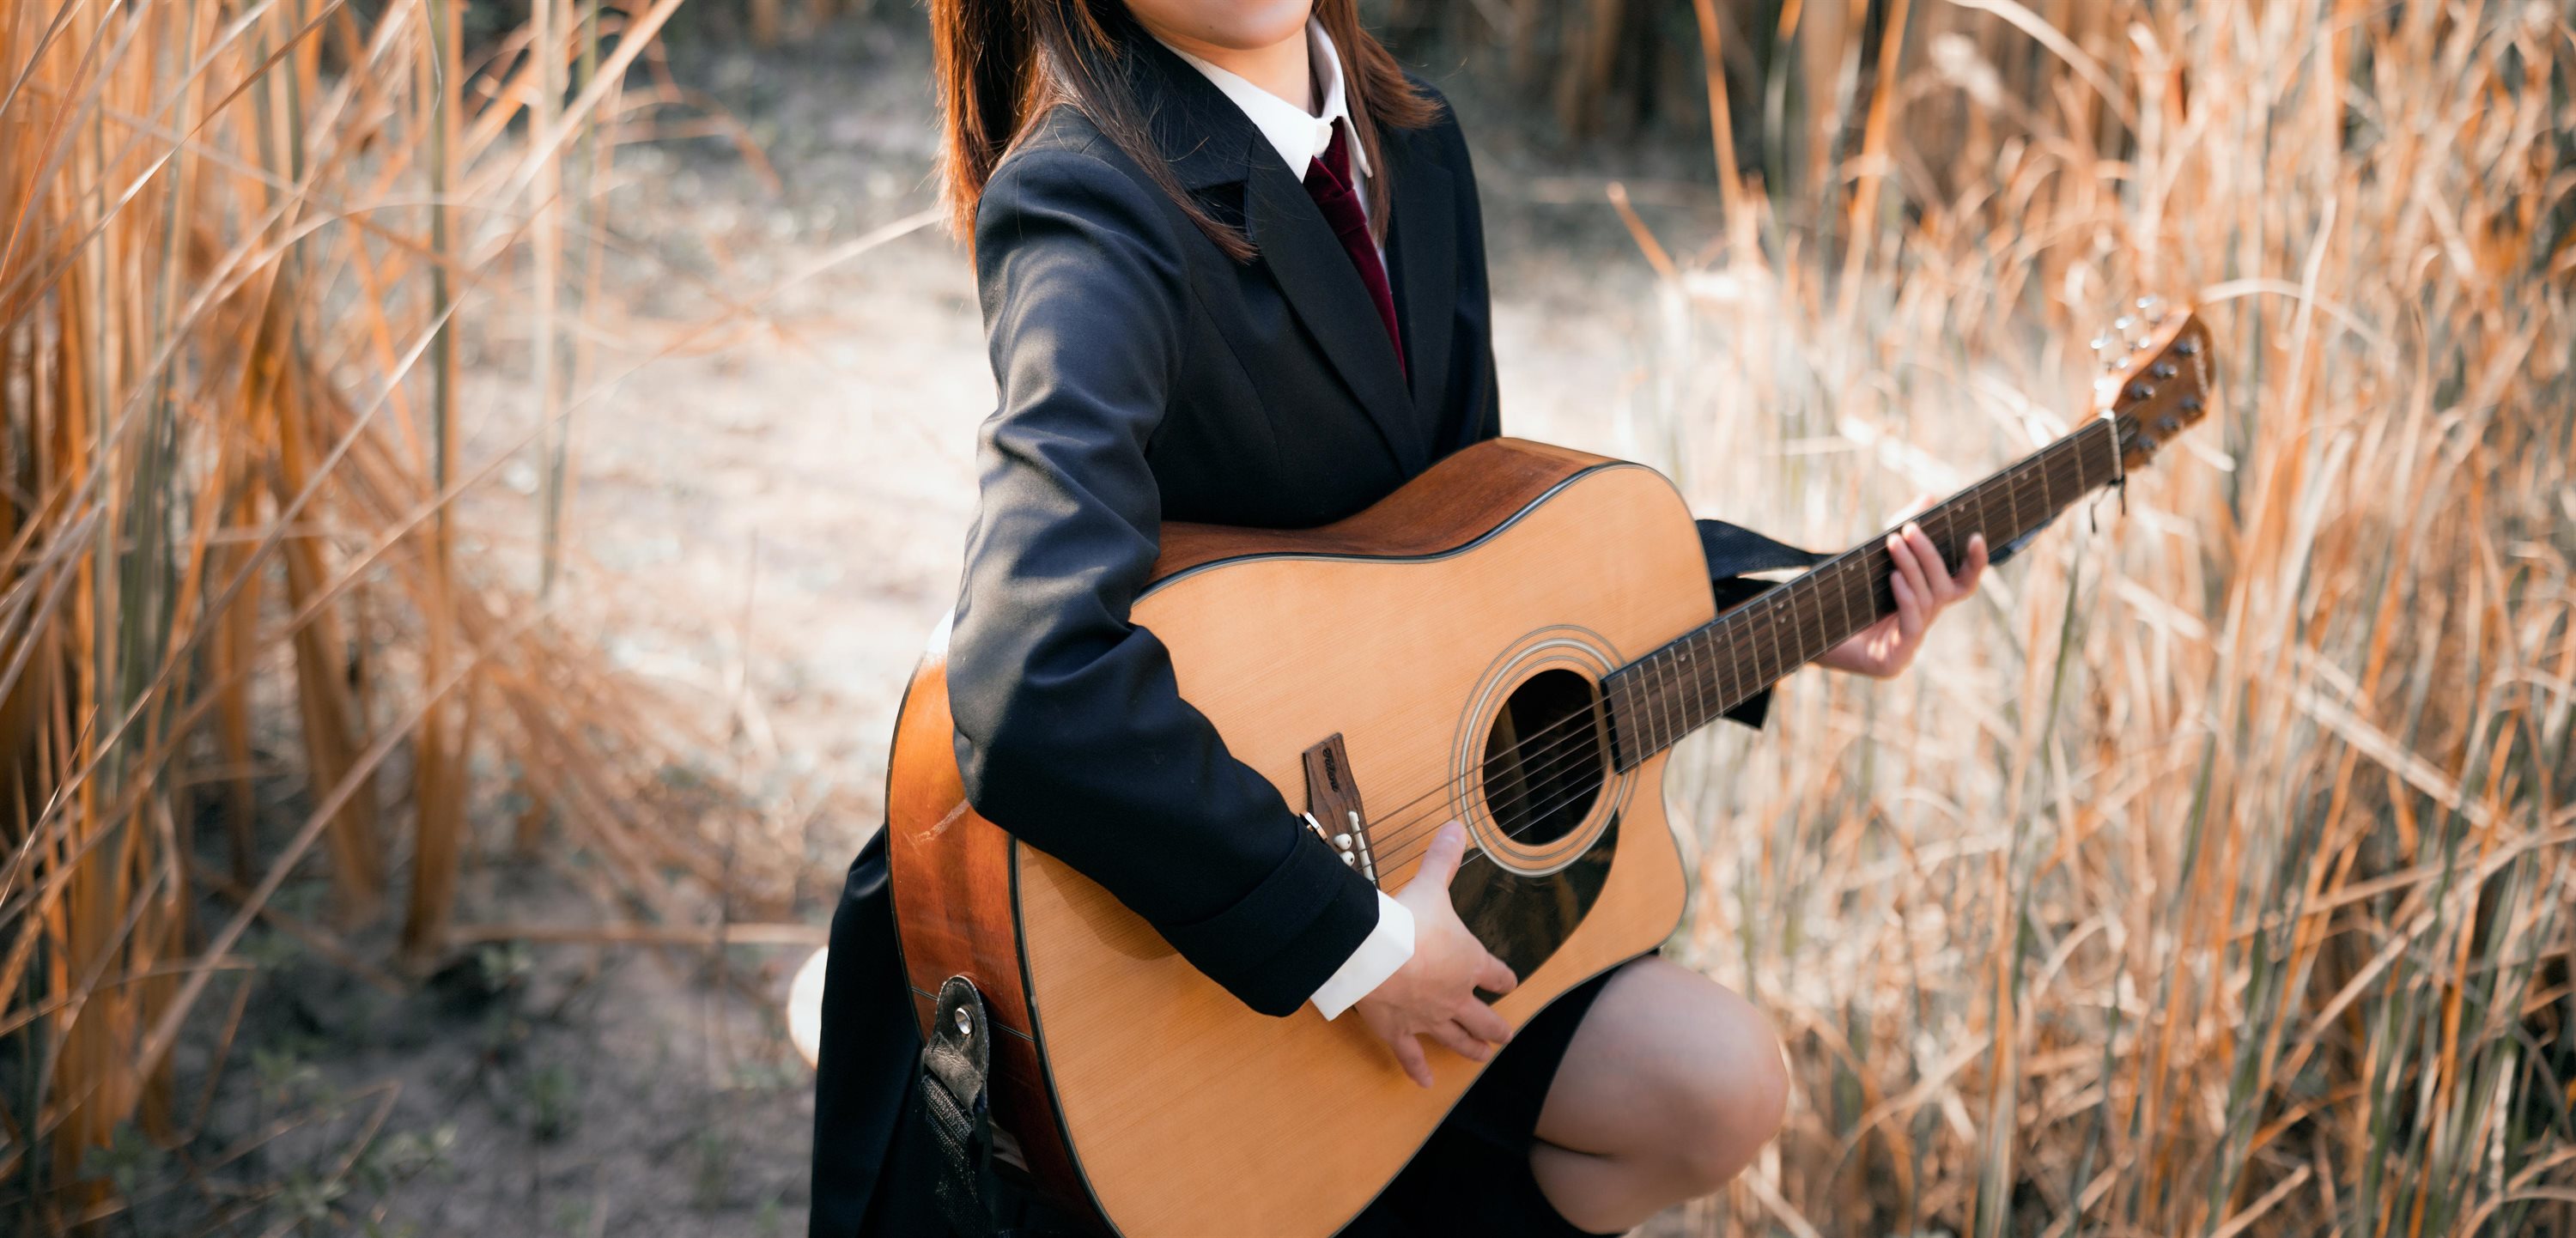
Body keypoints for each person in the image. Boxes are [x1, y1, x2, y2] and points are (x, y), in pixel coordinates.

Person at [809, 3, 1988, 1235]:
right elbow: (1029, 678)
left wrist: (1780, 602)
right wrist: (1354, 946)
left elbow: (1469, 554)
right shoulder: (1089, 196)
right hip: (1164, 935)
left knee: (1717, 1085)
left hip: (1407, 861)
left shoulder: (1413, 148)